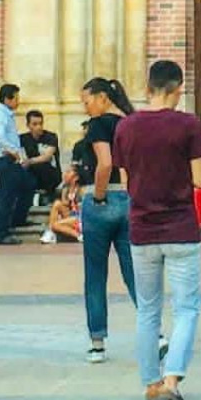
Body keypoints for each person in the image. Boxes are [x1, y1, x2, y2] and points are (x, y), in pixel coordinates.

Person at [114, 60, 201, 400]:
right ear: (178, 89)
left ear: (148, 86)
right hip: (181, 227)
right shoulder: (188, 124)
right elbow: (199, 179)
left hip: (142, 229)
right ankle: (171, 380)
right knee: (186, 308)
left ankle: (151, 383)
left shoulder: (125, 127)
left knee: (148, 310)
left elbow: (126, 181)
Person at [79, 77, 137, 364]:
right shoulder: (132, 122)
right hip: (129, 199)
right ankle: (156, 332)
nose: (86, 108)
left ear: (102, 98)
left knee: (95, 274)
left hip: (104, 198)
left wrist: (99, 196)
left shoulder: (99, 124)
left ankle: (97, 342)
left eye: (87, 101)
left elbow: (105, 163)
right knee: (134, 271)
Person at [0, 84, 34, 245]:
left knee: (28, 184)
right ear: (7, 99)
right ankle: (1, 233)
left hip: (10, 160)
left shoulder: (7, 115)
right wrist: (14, 153)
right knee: (6, 196)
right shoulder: (1, 115)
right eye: (16, 98)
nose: (18, 101)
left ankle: (17, 220)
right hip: (4, 160)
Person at [19, 110, 62, 203]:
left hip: (51, 173)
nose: (39, 127)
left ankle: (48, 196)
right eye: (34, 124)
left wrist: (29, 161)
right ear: (28, 125)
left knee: (42, 165)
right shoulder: (23, 138)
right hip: (33, 173)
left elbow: (47, 156)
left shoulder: (51, 137)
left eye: (40, 123)